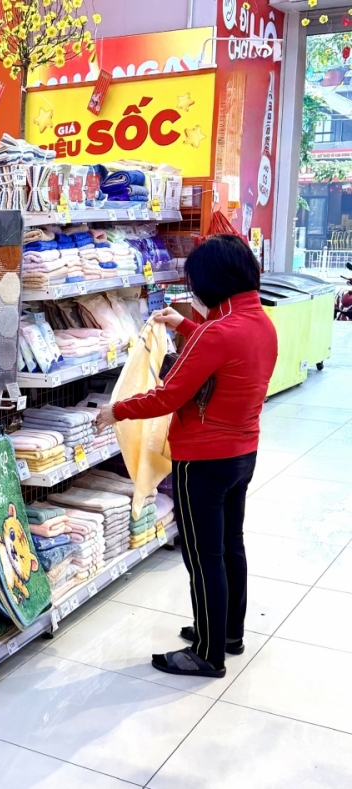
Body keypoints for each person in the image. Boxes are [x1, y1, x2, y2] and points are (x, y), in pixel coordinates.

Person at [97, 235, 278, 679]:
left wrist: (116, 410)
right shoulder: (261, 323)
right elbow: (224, 351)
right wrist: (183, 325)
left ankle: (207, 653)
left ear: (211, 282)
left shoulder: (217, 331)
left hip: (202, 461)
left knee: (202, 556)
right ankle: (228, 634)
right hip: (242, 454)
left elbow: (169, 396)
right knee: (230, 546)